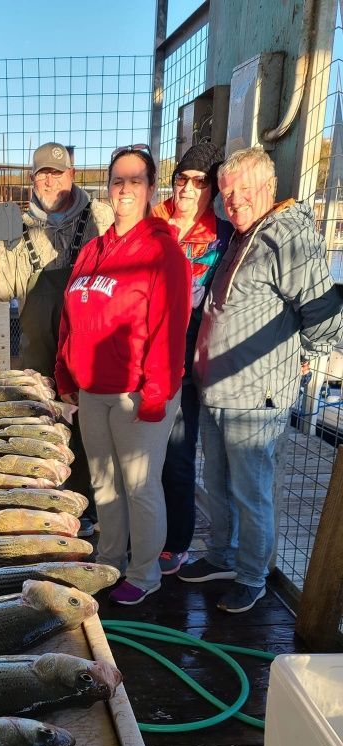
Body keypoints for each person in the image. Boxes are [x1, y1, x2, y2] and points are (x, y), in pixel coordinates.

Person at [179, 145, 343, 613]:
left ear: (268, 188)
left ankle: (252, 575)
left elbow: (325, 312)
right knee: (218, 481)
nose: (234, 201)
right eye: (227, 194)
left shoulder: (286, 234)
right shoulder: (241, 235)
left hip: (256, 396)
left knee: (251, 492)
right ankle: (221, 556)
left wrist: (307, 355)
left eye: (244, 190)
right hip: (218, 389)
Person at [54, 144, 191, 605]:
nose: (125, 188)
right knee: (104, 483)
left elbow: (171, 328)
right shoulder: (93, 249)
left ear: (151, 188)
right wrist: (65, 375)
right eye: (118, 180)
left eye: (136, 180)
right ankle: (110, 561)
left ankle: (145, 572)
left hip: (138, 393)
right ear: (108, 189)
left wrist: (156, 393)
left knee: (140, 487)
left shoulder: (163, 250)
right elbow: (70, 317)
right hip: (93, 390)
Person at [0, 142, 113, 532]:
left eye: (57, 173)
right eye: (42, 173)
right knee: (36, 431)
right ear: (32, 178)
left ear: (72, 176)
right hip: (36, 356)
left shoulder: (102, 215)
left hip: (87, 353)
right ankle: (38, 510)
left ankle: (87, 512)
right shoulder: (9, 220)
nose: (49, 180)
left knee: (89, 434)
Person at [151, 141, 233, 575]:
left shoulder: (223, 234)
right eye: (181, 179)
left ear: (212, 190)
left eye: (199, 182)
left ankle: (176, 541)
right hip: (141, 358)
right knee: (137, 457)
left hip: (185, 364)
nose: (186, 188)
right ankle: (136, 534)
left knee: (178, 455)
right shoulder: (149, 222)